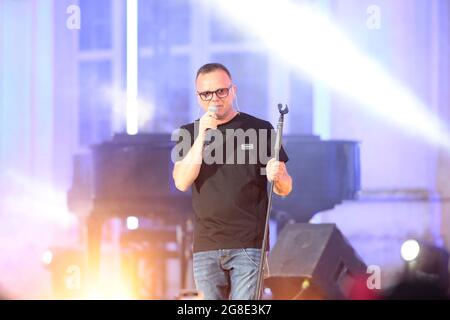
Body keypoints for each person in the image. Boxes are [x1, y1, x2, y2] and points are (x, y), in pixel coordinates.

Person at [172, 63, 293, 300]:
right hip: (206, 245)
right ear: (198, 97)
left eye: (221, 91)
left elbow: (286, 187)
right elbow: (181, 181)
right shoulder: (189, 133)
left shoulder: (260, 129)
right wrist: (202, 136)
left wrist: (278, 177)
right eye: (206, 94)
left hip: (249, 244)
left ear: (233, 90)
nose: (214, 99)